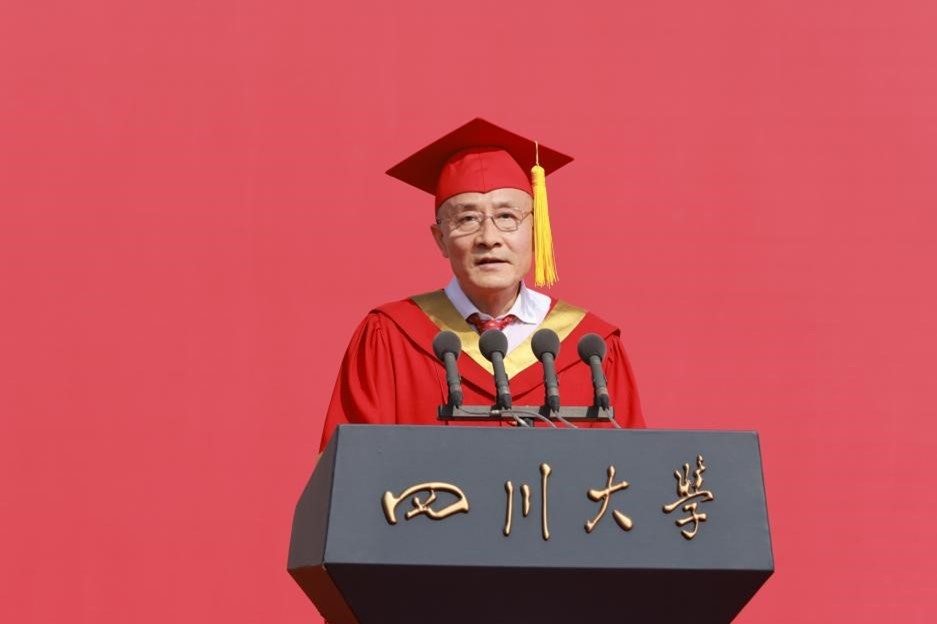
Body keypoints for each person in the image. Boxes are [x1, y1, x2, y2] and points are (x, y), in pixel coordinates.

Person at [319, 118, 644, 451]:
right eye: (467, 219)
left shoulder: (592, 350)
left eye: (507, 217)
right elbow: (350, 469)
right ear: (440, 239)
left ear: (536, 230)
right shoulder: (389, 339)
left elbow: (631, 472)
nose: (489, 238)